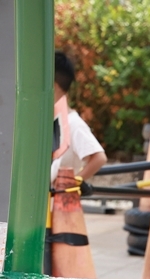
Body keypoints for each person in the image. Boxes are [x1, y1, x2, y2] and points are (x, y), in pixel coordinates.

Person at [51, 51, 107, 183]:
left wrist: (72, 184)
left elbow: (99, 158)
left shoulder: (73, 124)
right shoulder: (50, 122)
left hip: (59, 202)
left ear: (53, 85)